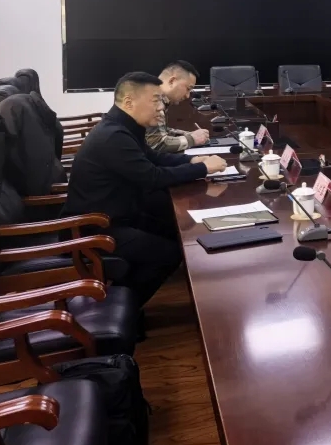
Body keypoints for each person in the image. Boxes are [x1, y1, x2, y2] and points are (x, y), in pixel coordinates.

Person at [64, 72, 228, 306]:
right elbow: (153, 177)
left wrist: (191, 160)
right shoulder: (114, 136)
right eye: (155, 100)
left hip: (118, 214)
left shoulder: (124, 127)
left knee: (173, 230)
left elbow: (153, 157)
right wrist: (202, 168)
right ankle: (119, 306)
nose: (161, 107)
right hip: (95, 227)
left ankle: (123, 299)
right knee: (168, 254)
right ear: (129, 102)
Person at [146, 60, 210, 153]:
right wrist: (192, 139)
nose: (188, 96)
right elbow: (157, 144)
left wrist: (188, 135)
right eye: (188, 89)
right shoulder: (154, 102)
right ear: (172, 81)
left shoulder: (153, 95)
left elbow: (160, 131)